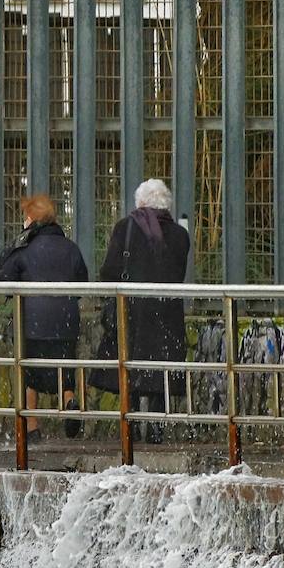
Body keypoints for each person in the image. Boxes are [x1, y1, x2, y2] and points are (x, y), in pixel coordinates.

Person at [89, 179, 190, 438]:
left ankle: (130, 431)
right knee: (161, 369)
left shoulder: (126, 228)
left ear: (141, 203)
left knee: (130, 367)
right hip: (166, 313)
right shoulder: (180, 235)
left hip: (131, 311)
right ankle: (156, 430)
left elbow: (109, 270)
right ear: (165, 203)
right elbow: (177, 274)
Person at [0, 193, 89, 440]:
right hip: (65, 321)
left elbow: (5, 277)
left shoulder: (24, 248)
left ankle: (32, 428)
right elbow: (83, 282)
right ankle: (69, 403)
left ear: (31, 219)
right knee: (64, 368)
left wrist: (18, 240)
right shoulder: (71, 248)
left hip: (32, 323)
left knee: (29, 373)